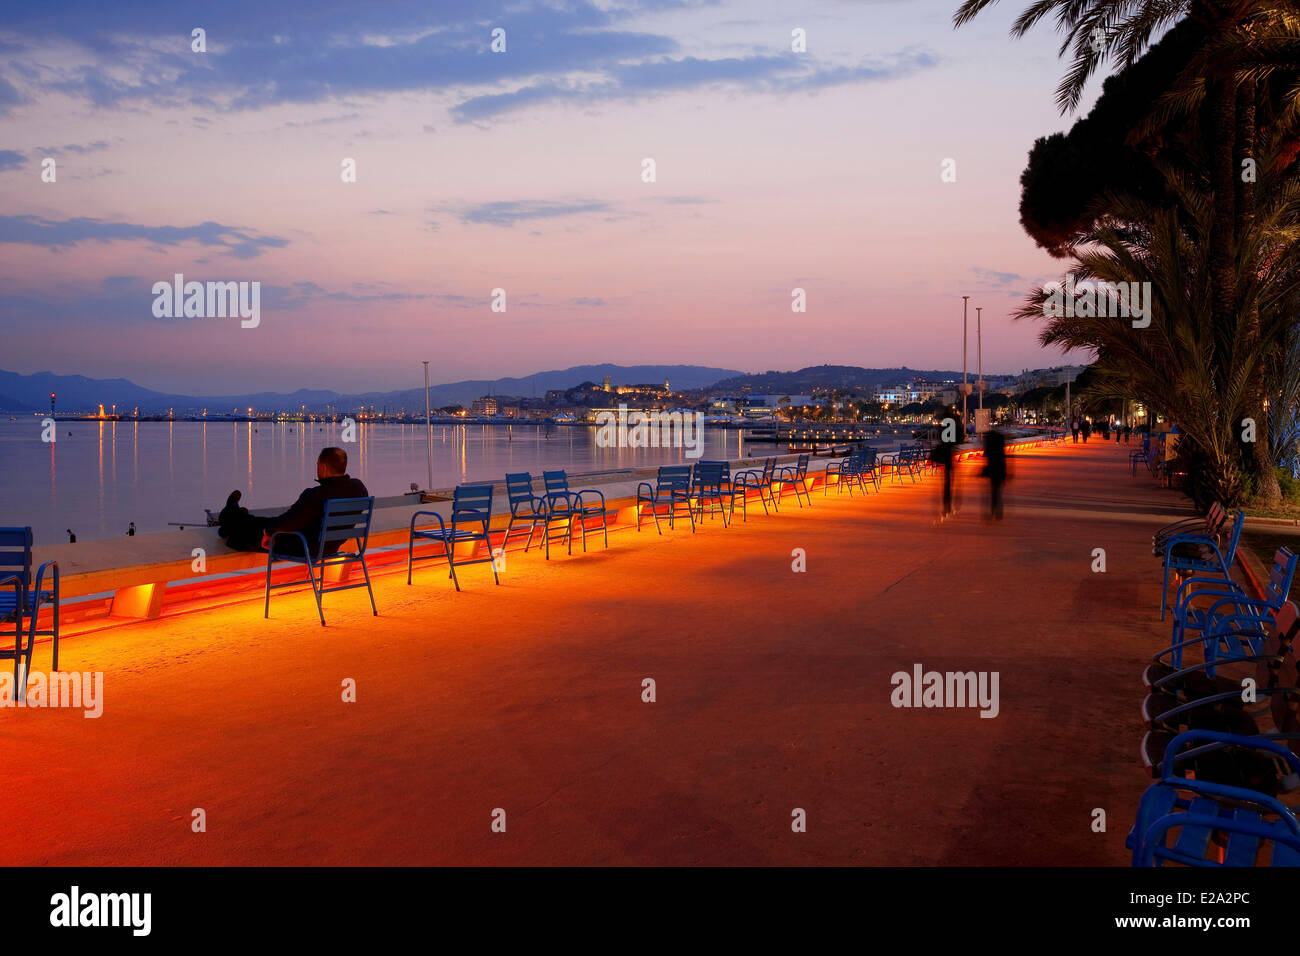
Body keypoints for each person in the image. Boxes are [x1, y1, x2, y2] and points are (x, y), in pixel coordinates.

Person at [217, 447, 369, 557]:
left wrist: (269, 532)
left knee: (251, 529)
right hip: (329, 547)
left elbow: (290, 521)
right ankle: (233, 516)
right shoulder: (359, 489)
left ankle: (230, 515)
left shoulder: (317, 495)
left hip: (301, 546)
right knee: (261, 522)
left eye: (317, 464)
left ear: (322, 467)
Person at [981, 428, 1007, 520]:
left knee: (993, 490)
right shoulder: (1000, 444)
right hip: (1000, 469)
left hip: (992, 469)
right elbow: (1003, 458)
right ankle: (998, 510)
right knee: (997, 490)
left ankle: (993, 510)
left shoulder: (990, 444)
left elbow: (986, 455)